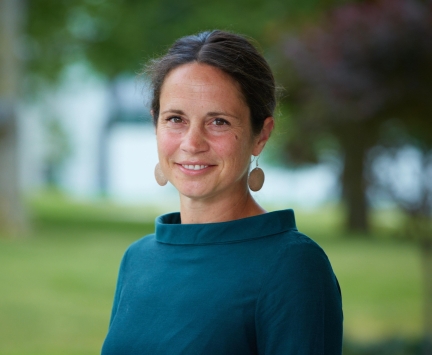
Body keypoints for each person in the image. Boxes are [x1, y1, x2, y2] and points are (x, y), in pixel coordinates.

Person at [101, 30, 343, 355]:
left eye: (218, 122)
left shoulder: (292, 267)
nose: (192, 143)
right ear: (155, 124)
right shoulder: (138, 258)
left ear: (260, 135)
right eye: (175, 119)